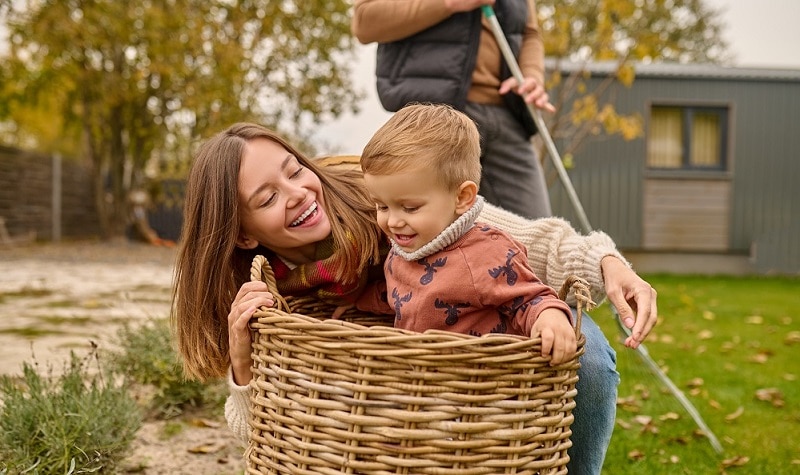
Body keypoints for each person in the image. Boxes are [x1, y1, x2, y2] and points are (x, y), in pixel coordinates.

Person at [171, 122, 658, 474]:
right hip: (414, 402)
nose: (298, 193)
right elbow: (260, 432)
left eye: (294, 170)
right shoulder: (266, 293)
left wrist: (607, 264)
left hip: (492, 320)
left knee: (586, 357)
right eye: (267, 198)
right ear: (242, 236)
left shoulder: (379, 200)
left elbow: (519, 241)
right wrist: (243, 363)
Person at [356, 103, 577, 364]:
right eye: (382, 206)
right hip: (419, 379)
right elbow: (396, 296)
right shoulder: (402, 252)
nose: (392, 221)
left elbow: (529, 298)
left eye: (410, 207)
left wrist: (549, 317)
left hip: (480, 383)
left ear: (462, 198)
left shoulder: (486, 253)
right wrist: (354, 301)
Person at [352, 0, 554, 220]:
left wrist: (532, 75)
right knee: (425, 230)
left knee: (536, 232)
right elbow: (365, 22)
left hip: (506, 114)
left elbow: (529, 32)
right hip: (432, 116)